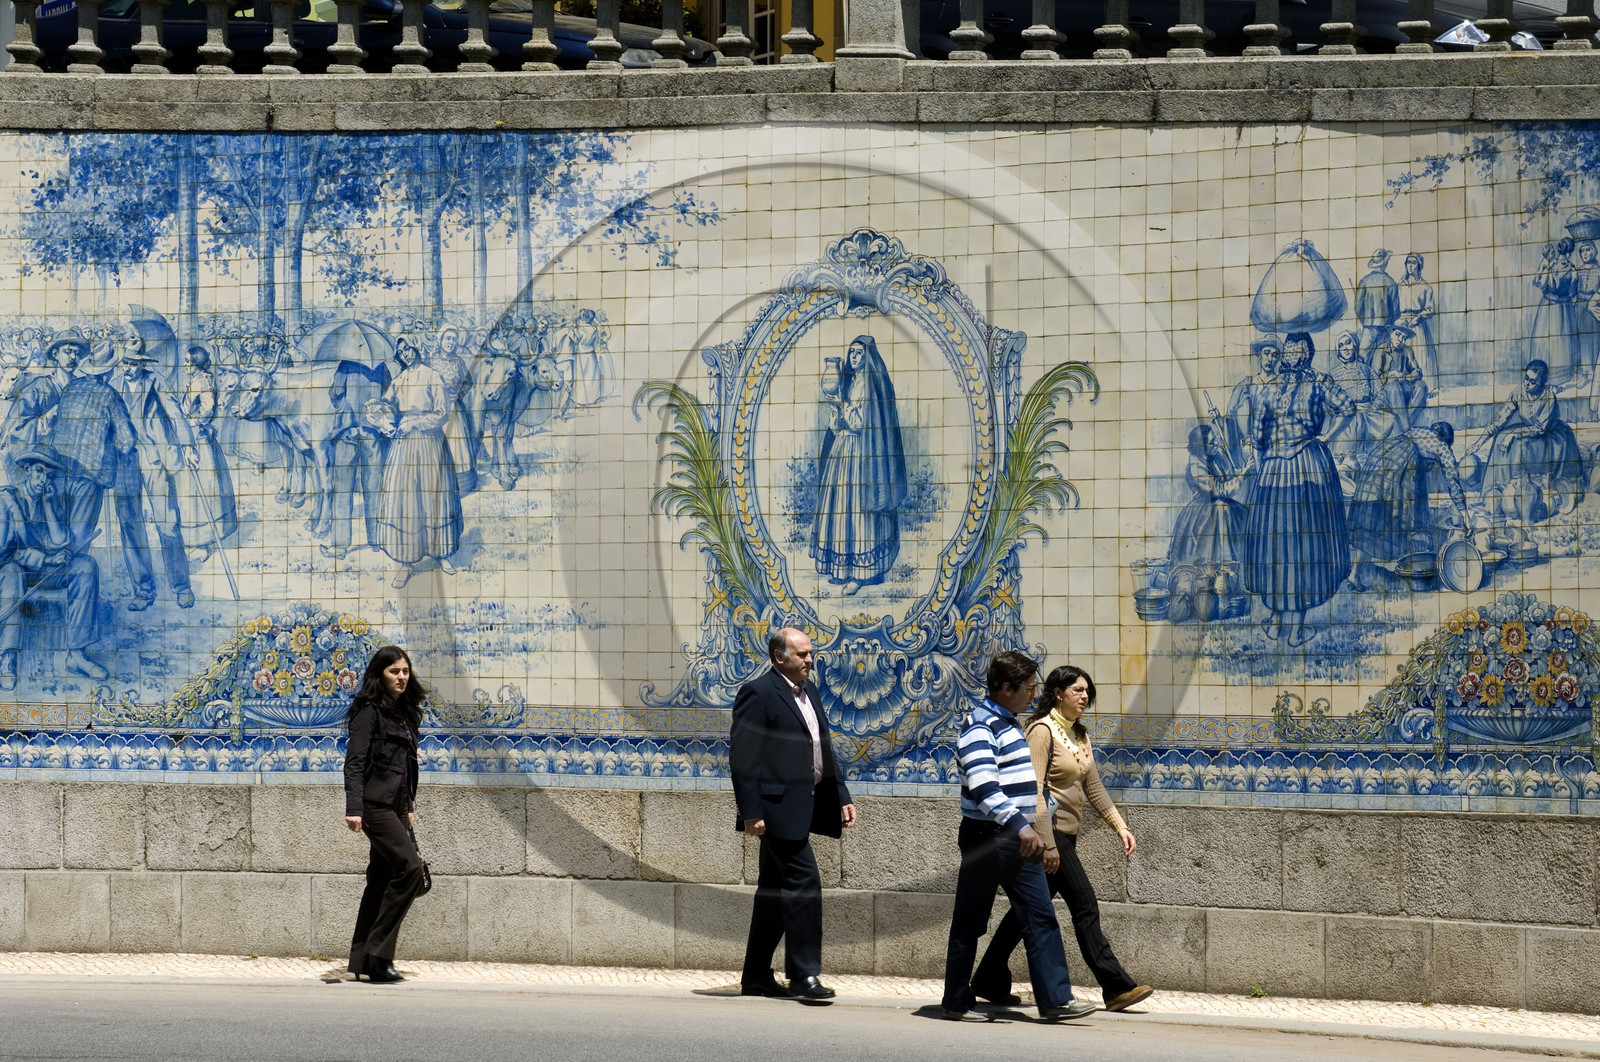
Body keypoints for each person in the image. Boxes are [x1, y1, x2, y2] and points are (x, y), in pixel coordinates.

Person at [971, 665, 1152, 1014]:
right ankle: (1115, 986)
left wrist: (1120, 826)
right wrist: (1048, 842)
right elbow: (1033, 791)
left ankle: (989, 977)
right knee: (1084, 903)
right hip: (1049, 837)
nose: (1084, 697)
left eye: (1087, 691)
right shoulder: (1042, 731)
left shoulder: (1078, 734)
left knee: (1026, 911)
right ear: (1057, 693)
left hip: (1065, 836)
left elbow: (1093, 786)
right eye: (1077, 691)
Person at [940, 651, 1095, 1023]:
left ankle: (1056, 999)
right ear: (1006, 688)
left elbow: (1026, 785)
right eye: (1028, 687)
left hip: (1018, 838)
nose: (1034, 693)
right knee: (971, 919)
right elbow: (983, 787)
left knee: (1040, 914)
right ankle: (956, 1000)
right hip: (989, 836)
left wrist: (1039, 824)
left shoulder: (1010, 724)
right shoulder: (981, 727)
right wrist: (1020, 825)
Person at [730, 627, 856, 1002]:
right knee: (804, 886)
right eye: (802, 654)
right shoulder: (758, 693)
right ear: (778, 658)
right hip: (775, 812)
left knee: (773, 894)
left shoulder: (810, 692)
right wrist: (751, 812)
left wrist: (841, 796)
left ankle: (755, 977)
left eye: (810, 653)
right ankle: (804, 975)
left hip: (805, 805)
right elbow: (743, 757)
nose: (810, 660)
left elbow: (823, 749)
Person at [1240, 332, 1354, 647]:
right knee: (1305, 544)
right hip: (1309, 465)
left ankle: (1277, 623)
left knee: (1278, 544)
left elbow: (1257, 434)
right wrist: (1327, 437)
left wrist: (1262, 460)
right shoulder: (1320, 380)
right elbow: (1348, 408)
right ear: (1309, 354)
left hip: (1275, 471)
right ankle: (1296, 629)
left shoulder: (1270, 387)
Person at [343, 645, 427, 985]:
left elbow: (405, 767)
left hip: (394, 806)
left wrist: (408, 807)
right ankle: (380, 952)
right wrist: (354, 809)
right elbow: (355, 762)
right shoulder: (368, 712)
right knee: (411, 869)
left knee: (380, 881)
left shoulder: (403, 713)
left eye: (405, 671)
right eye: (395, 671)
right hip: (374, 806)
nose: (402, 677)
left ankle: (365, 961)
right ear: (380, 674)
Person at [0, 448, 108, 689]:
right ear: (27, 470)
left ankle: (76, 654)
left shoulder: (50, 499)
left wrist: (48, 506)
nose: (43, 480)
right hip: (12, 569)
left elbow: (60, 541)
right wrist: (46, 559)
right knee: (12, 573)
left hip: (43, 570)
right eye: (39, 471)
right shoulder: (8, 501)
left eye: (49, 475)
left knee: (86, 567)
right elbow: (6, 552)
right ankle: (7, 656)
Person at [809, 335, 908, 595]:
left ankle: (863, 575)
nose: (853, 357)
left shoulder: (872, 386)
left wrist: (844, 406)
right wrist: (836, 408)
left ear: (868, 356)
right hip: (843, 452)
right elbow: (839, 425)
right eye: (851, 353)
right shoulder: (850, 382)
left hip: (863, 457)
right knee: (842, 509)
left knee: (860, 512)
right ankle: (844, 570)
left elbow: (861, 423)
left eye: (858, 353)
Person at [372, 339, 463, 590]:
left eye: (408, 349)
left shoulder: (432, 376)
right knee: (406, 498)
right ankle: (406, 562)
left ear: (417, 348)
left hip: (431, 445)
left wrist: (416, 423)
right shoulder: (399, 379)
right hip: (404, 446)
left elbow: (442, 413)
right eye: (400, 352)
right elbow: (387, 404)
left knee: (434, 495)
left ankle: (441, 553)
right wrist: (380, 413)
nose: (405, 355)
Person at [1347, 422, 1469, 591]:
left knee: (1372, 518)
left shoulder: (1416, 431)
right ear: (1447, 439)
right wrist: (1464, 512)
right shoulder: (1443, 447)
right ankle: (1413, 569)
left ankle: (1354, 574)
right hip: (1401, 465)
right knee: (1400, 518)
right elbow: (1452, 480)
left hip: (1380, 456)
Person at [1470, 359, 1585, 526]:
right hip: (1527, 431)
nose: (1527, 384)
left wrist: (1514, 434)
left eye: (1533, 381)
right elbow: (1501, 418)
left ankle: (1524, 495)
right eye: (1526, 378)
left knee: (1518, 446)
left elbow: (1539, 429)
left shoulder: (1548, 397)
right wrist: (1480, 441)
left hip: (1550, 437)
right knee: (1501, 438)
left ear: (1541, 383)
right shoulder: (1519, 392)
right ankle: (1496, 494)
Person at [323, 359, 392, 559]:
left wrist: (346, 406)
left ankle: (340, 545)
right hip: (373, 433)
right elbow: (389, 397)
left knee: (343, 490)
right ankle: (376, 540)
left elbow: (335, 394)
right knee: (373, 488)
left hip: (347, 432)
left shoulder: (345, 365)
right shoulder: (381, 366)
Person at [1166, 424, 1246, 571]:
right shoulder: (1195, 466)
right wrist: (1241, 475)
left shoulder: (1214, 456)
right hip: (1203, 514)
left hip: (1222, 506)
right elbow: (1218, 489)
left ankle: (1232, 575)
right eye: (1212, 442)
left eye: (1215, 439)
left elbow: (1228, 475)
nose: (1216, 443)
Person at [1397, 252, 1440, 394]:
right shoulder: (1400, 286)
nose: (1410, 266)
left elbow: (1430, 309)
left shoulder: (1425, 287)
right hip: (1402, 324)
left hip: (1418, 325)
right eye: (1408, 262)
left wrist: (1418, 317)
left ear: (1419, 265)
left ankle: (1425, 388)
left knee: (1421, 354)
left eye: (1413, 263)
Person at [1355, 248, 1400, 365]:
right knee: (1383, 361)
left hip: (1368, 328)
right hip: (1385, 329)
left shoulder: (1364, 281)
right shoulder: (1391, 283)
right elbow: (1396, 311)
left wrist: (1365, 319)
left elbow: (1358, 307)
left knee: (1363, 360)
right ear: (1385, 264)